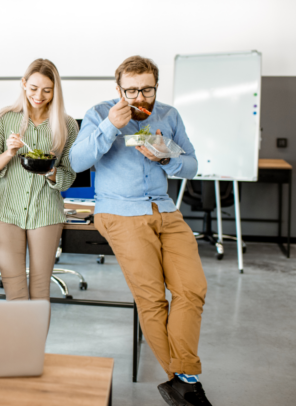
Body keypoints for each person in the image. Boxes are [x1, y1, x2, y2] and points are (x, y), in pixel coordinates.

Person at [70, 56, 212, 406]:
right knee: (152, 299)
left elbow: (192, 165)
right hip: (121, 212)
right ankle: (186, 380)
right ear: (118, 89)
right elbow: (76, 162)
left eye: (147, 90)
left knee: (192, 290)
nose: (139, 98)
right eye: (131, 90)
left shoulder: (169, 115)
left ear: (156, 86)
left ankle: (181, 378)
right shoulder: (99, 113)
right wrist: (110, 126)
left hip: (165, 210)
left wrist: (166, 158)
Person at [0, 59, 78, 303]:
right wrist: (9, 153)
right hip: (7, 210)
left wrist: (50, 171)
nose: (39, 96)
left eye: (47, 90)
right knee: (14, 290)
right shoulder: (6, 119)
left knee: (40, 290)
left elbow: (69, 176)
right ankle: (19, 332)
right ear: (24, 84)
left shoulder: (67, 125)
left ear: (55, 90)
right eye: (34, 88)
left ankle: (36, 332)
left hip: (45, 212)